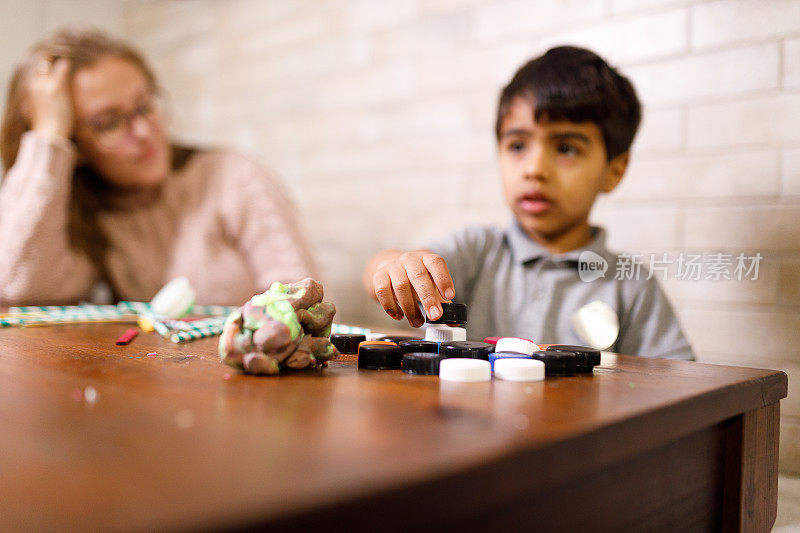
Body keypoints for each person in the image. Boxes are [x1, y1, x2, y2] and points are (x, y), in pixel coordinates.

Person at [362, 46, 694, 359]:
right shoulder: (478, 250)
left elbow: (682, 382)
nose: (535, 169)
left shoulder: (631, 284)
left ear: (614, 170)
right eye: (518, 145)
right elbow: (380, 268)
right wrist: (395, 268)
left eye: (566, 148)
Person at [0, 28, 319, 307]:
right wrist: (47, 137)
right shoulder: (86, 215)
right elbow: (21, 288)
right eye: (108, 123)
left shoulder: (231, 177)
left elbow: (307, 305)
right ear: (74, 146)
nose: (144, 131)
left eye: (145, 105)